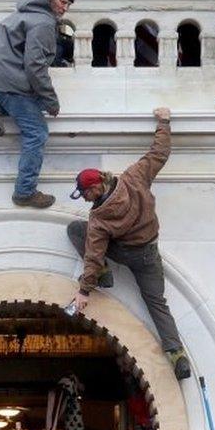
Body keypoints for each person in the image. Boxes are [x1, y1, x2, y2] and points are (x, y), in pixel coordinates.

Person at [66, 107, 191, 380]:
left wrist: (84, 290)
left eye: (85, 194)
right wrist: (164, 121)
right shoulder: (134, 178)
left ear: (94, 188)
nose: (85, 199)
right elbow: (159, 153)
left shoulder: (98, 219)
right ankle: (176, 353)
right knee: (156, 303)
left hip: (123, 252)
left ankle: (104, 276)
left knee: (76, 230)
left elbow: (93, 255)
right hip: (148, 253)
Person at [0, 0, 76, 209]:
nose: (64, 8)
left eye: (68, 4)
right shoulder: (42, 23)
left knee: (32, 102)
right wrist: (51, 101)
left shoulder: (27, 12)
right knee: (37, 132)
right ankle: (25, 191)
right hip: (6, 81)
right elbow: (35, 67)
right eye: (62, 2)